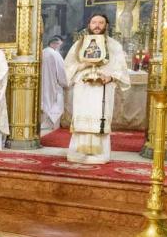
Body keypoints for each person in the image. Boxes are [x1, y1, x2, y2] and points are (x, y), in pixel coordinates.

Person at [62, 14, 130, 163]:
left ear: (106, 25)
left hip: (103, 88)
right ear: (89, 24)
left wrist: (110, 77)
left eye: (101, 22)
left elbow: (121, 69)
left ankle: (99, 155)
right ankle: (78, 153)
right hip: (83, 87)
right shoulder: (79, 44)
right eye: (94, 22)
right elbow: (67, 67)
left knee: (99, 118)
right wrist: (84, 64)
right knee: (82, 118)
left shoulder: (114, 45)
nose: (97, 25)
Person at [40, 35, 67, 131]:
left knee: (44, 101)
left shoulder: (42, 52)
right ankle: (51, 124)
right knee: (55, 102)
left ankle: (43, 123)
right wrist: (65, 83)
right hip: (54, 84)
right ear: (53, 44)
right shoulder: (55, 54)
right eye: (59, 45)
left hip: (42, 83)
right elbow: (61, 71)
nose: (59, 47)